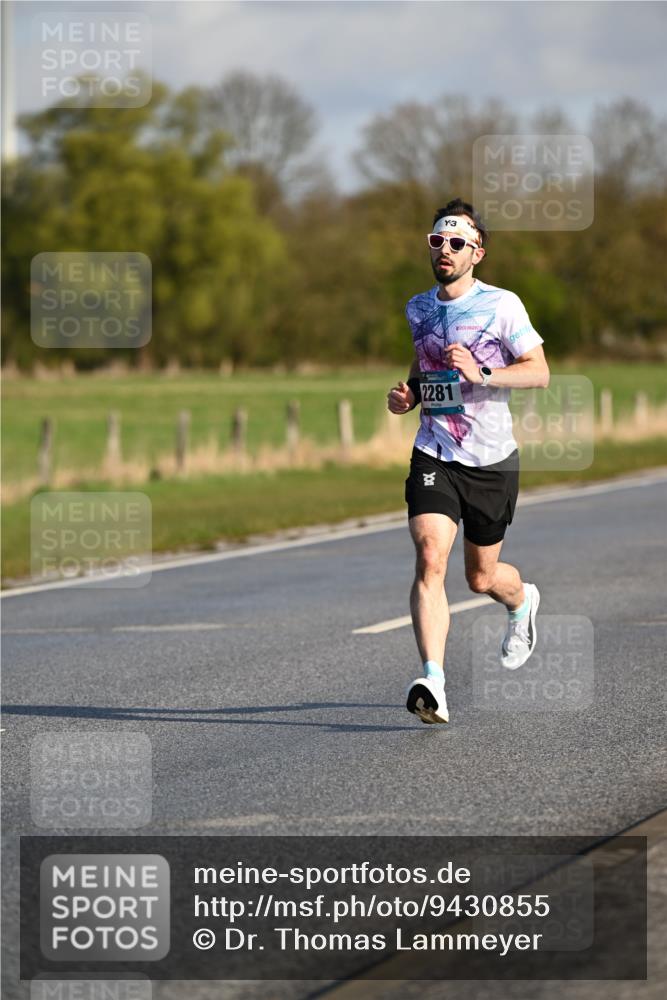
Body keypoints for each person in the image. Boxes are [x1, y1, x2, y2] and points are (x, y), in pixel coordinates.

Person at [387, 198, 550, 725]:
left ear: (477, 251)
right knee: (431, 557)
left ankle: (521, 600)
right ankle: (433, 679)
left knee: (480, 579)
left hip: (491, 461)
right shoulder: (418, 306)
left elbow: (539, 372)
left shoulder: (502, 305)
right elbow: (424, 357)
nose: (446, 250)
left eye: (457, 242)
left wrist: (483, 374)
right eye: (438, 241)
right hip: (434, 449)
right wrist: (409, 394)